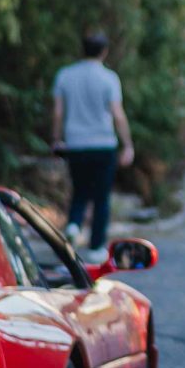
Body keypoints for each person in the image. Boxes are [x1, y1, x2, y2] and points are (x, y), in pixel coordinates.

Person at [50, 31, 133, 254]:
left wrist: (57, 139)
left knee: (79, 191)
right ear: (104, 51)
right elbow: (118, 114)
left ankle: (74, 226)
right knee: (101, 197)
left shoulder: (65, 75)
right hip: (104, 145)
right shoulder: (109, 78)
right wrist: (127, 144)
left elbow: (58, 113)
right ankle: (96, 247)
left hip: (76, 144)